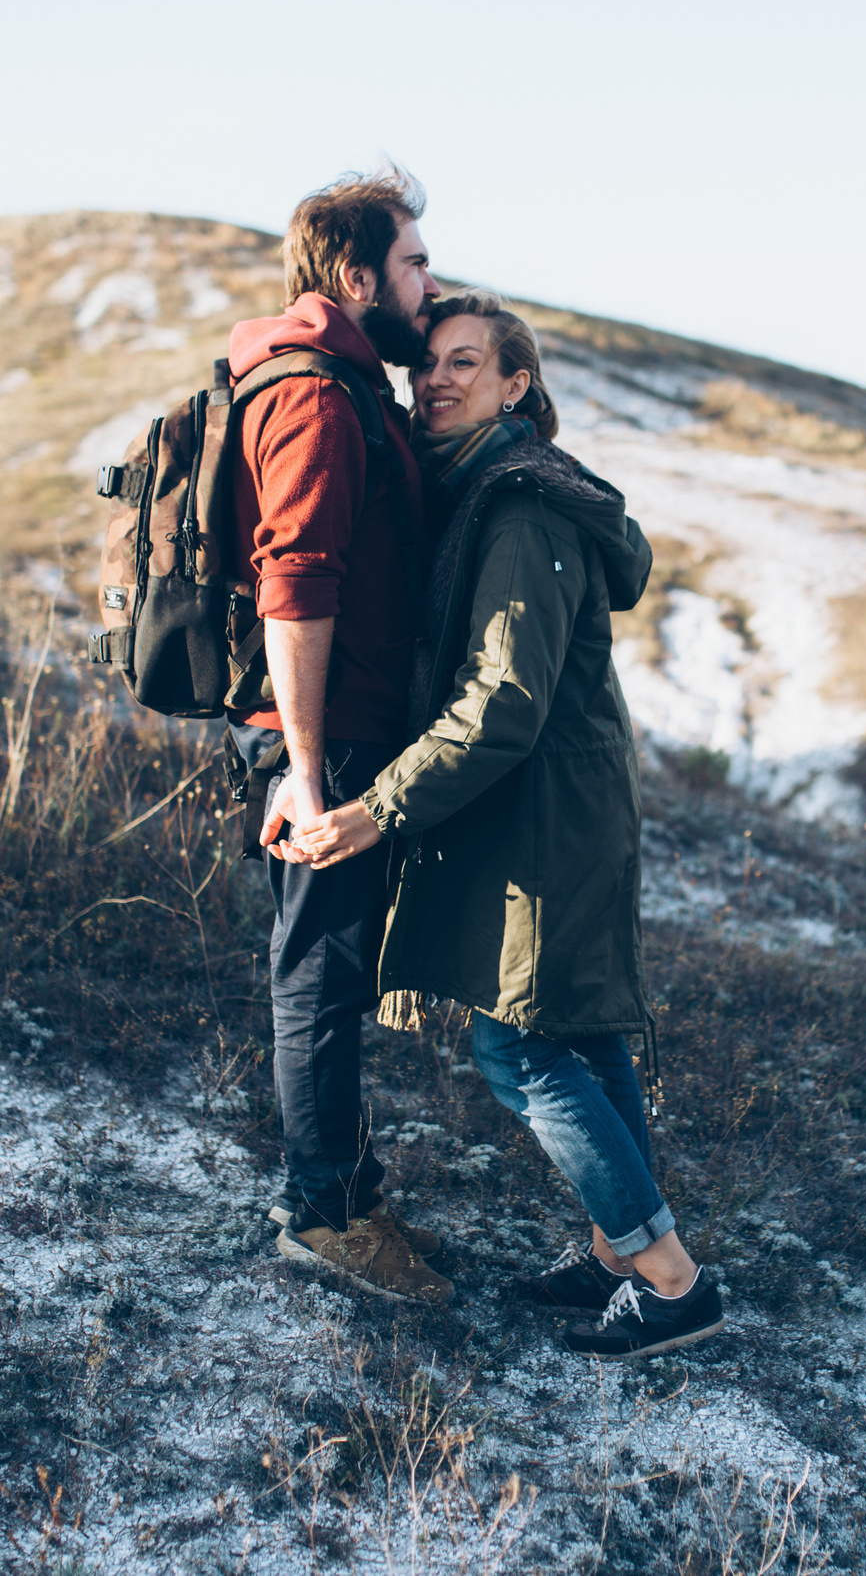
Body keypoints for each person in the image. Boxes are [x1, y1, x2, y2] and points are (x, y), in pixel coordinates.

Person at [287, 291, 727, 1358]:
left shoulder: (521, 508)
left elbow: (505, 701)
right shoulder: (481, 489)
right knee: (576, 1030)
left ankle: (670, 1283)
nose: (435, 379)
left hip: (544, 813)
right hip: (542, 804)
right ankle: (619, 1251)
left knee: (515, 1043)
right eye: (426, 364)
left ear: (515, 385)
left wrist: (378, 807)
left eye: (465, 363)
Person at [222, 169, 451, 1304]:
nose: (431, 283)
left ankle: (348, 1193)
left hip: (342, 732)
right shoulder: (314, 394)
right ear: (357, 277)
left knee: (337, 969)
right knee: (316, 972)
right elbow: (295, 588)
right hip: (325, 740)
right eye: (414, 264)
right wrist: (306, 773)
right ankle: (319, 1216)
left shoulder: (349, 386)